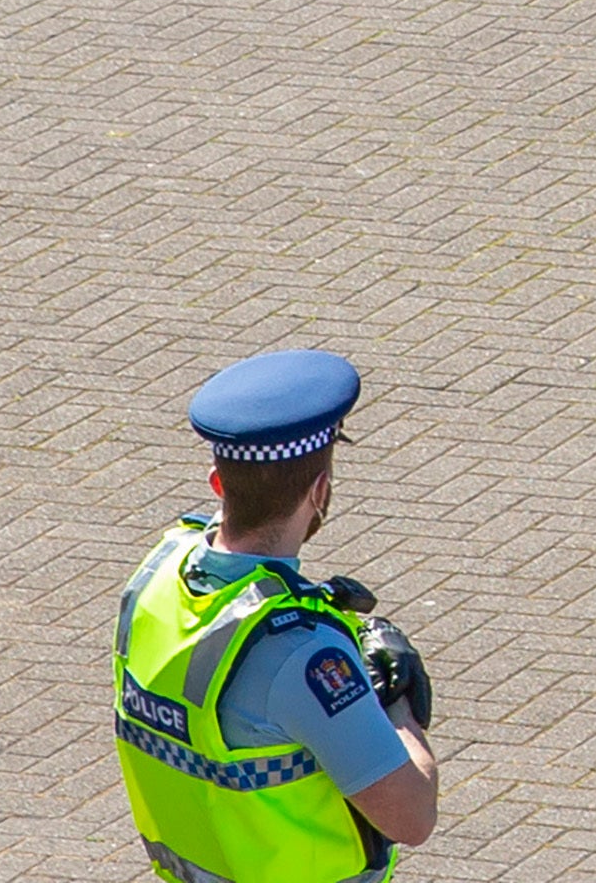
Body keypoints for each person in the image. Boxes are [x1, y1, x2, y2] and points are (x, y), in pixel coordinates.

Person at [118, 350, 444, 879]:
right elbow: (412, 816)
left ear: (217, 483)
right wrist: (398, 706)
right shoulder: (303, 655)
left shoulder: (157, 578)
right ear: (319, 492)